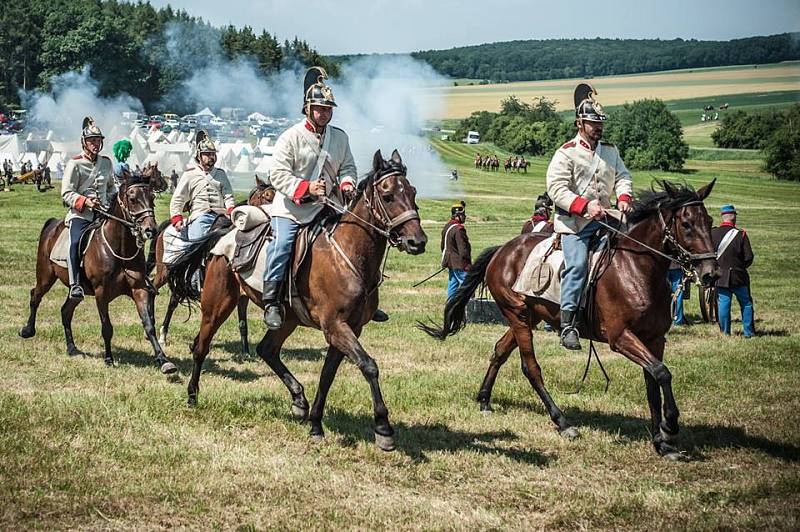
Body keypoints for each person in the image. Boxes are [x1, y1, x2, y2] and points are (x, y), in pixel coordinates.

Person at [261, 66, 357, 329]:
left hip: (328, 206)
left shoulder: (339, 137)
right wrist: (306, 188)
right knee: (281, 246)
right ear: (307, 108)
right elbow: (277, 174)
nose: (324, 113)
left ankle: (359, 298)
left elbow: (347, 166)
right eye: (319, 108)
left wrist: (348, 183)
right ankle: (271, 301)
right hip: (293, 209)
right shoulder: (290, 137)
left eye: (328, 109)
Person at [546, 83, 633, 350]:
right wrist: (584, 206)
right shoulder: (566, 152)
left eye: (600, 123)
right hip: (576, 224)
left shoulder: (610, 150)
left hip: (609, 218)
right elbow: (556, 188)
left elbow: (623, 176)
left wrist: (624, 197)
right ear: (579, 123)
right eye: (592, 123)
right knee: (577, 267)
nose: (598, 128)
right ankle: (568, 324)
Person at [60, 117, 116, 299]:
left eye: (98, 140)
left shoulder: (106, 163)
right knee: (75, 242)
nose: (96, 144)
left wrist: (113, 202)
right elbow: (66, 192)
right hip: (81, 215)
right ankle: (75, 284)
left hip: (104, 214)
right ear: (84, 142)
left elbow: (111, 188)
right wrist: (85, 202)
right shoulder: (75, 163)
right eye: (92, 140)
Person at [169, 129, 235, 252]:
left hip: (222, 216)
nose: (211, 157)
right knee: (196, 250)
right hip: (200, 216)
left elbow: (228, 196)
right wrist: (177, 218)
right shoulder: (190, 174)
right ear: (199, 156)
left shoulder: (221, 174)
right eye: (207, 154)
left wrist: (231, 210)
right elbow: (178, 199)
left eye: (213, 154)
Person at [712, 204, 755, 337]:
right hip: (739, 276)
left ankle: (725, 333)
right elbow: (748, 257)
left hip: (720, 276)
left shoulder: (712, 233)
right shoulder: (741, 234)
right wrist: (740, 267)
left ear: (722, 217)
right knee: (746, 304)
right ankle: (749, 333)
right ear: (734, 217)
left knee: (724, 304)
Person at [441, 201, 472, 300]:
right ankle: (469, 308)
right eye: (463, 215)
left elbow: (443, 246)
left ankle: (450, 306)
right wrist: (467, 264)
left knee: (452, 288)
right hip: (460, 264)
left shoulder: (447, 226)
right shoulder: (459, 229)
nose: (464, 216)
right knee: (468, 287)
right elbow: (463, 249)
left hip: (451, 263)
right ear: (457, 215)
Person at [667, 261, 687, 326]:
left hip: (665, 266)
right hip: (676, 265)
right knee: (678, 295)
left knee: (663, 293)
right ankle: (678, 321)